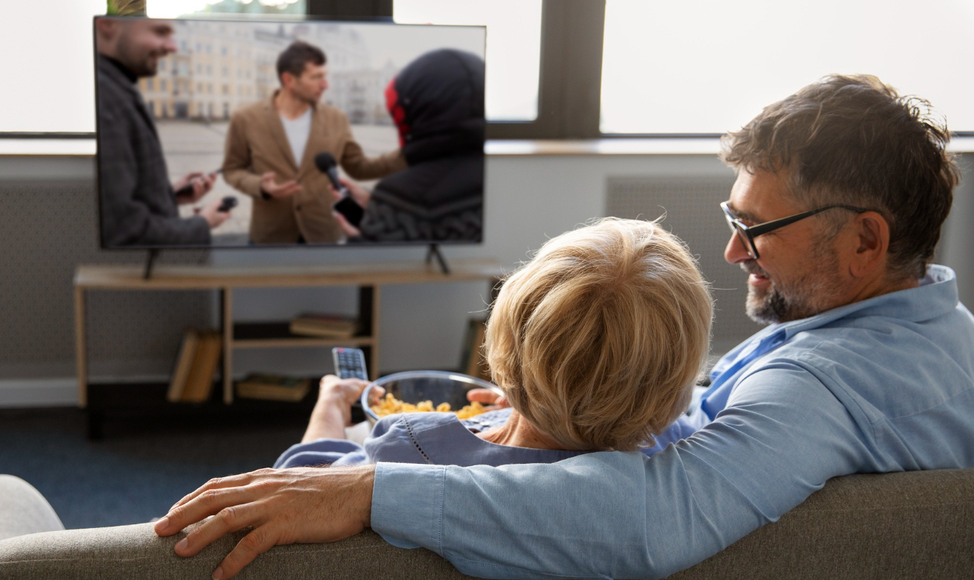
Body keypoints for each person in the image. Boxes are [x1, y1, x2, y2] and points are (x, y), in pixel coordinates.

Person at [149, 74, 974, 579]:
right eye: (733, 217)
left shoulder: (822, 387)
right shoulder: (932, 333)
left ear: (866, 240)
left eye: (757, 228)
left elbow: (653, 518)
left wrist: (372, 488)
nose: (731, 249)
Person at [275, 218, 713, 469]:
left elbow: (298, 483)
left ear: (504, 341)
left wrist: (330, 405)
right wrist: (550, 399)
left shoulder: (411, 446)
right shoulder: (667, 456)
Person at [221, 40, 406, 244]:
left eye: (324, 76)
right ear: (289, 80)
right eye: (317, 77)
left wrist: (410, 153)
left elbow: (359, 167)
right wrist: (260, 186)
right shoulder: (246, 118)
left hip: (323, 233)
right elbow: (232, 169)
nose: (325, 84)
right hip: (271, 236)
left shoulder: (337, 118)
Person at [95, 17, 232, 247]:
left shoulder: (116, 84)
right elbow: (125, 230)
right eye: (160, 32)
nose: (173, 47)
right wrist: (202, 222)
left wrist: (169, 195)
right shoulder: (106, 96)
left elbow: (118, 199)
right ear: (108, 24)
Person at [331, 49, 484, 242]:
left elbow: (382, 265)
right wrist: (375, 207)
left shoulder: (403, 197)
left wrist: (368, 230)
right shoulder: (508, 175)